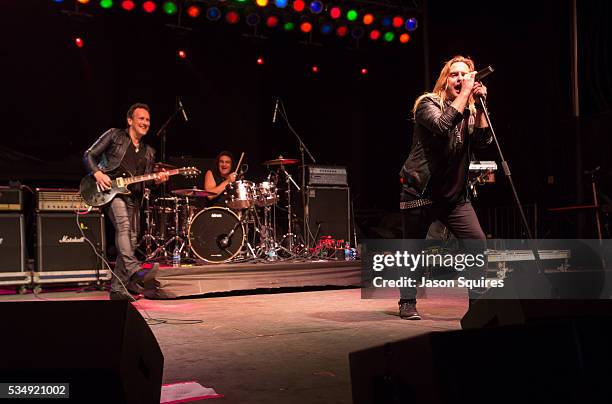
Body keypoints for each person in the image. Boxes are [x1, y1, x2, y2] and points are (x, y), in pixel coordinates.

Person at [398, 55, 493, 319]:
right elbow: (443, 125)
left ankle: (478, 307)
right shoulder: (427, 103)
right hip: (421, 190)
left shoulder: (470, 111)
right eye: (455, 74)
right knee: (414, 249)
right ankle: (407, 301)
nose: (461, 79)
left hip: (453, 196)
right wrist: (465, 97)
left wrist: (481, 106)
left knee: (477, 243)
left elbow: (484, 141)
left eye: (466, 74)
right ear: (445, 79)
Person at [83, 103, 169, 301]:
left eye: (147, 120)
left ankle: (117, 289)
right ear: (130, 120)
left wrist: (156, 180)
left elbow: (145, 182)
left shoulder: (149, 151)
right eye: (141, 118)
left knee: (130, 239)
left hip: (133, 198)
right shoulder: (115, 135)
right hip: (111, 193)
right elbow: (89, 155)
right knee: (123, 228)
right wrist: (97, 173)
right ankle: (134, 269)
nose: (145, 123)